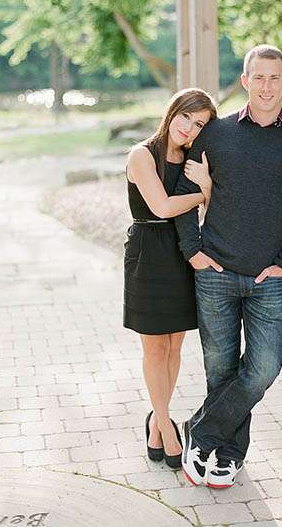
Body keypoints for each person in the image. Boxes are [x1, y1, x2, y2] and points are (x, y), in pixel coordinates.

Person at [174, 44, 282, 489]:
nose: (265, 86)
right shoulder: (215, 135)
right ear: (245, 81)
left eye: (274, 77)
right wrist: (192, 250)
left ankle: (199, 433)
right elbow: (186, 191)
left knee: (263, 368)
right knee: (220, 371)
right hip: (214, 273)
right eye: (257, 77)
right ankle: (227, 456)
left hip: (268, 281)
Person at [123, 88, 217, 469]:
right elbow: (161, 207)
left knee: (175, 348)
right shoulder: (141, 154)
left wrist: (207, 186)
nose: (188, 128)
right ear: (172, 112)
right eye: (185, 117)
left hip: (180, 252)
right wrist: (203, 193)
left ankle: (158, 423)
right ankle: (163, 424)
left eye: (198, 125)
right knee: (154, 349)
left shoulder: (192, 160)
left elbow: (211, 210)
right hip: (148, 252)